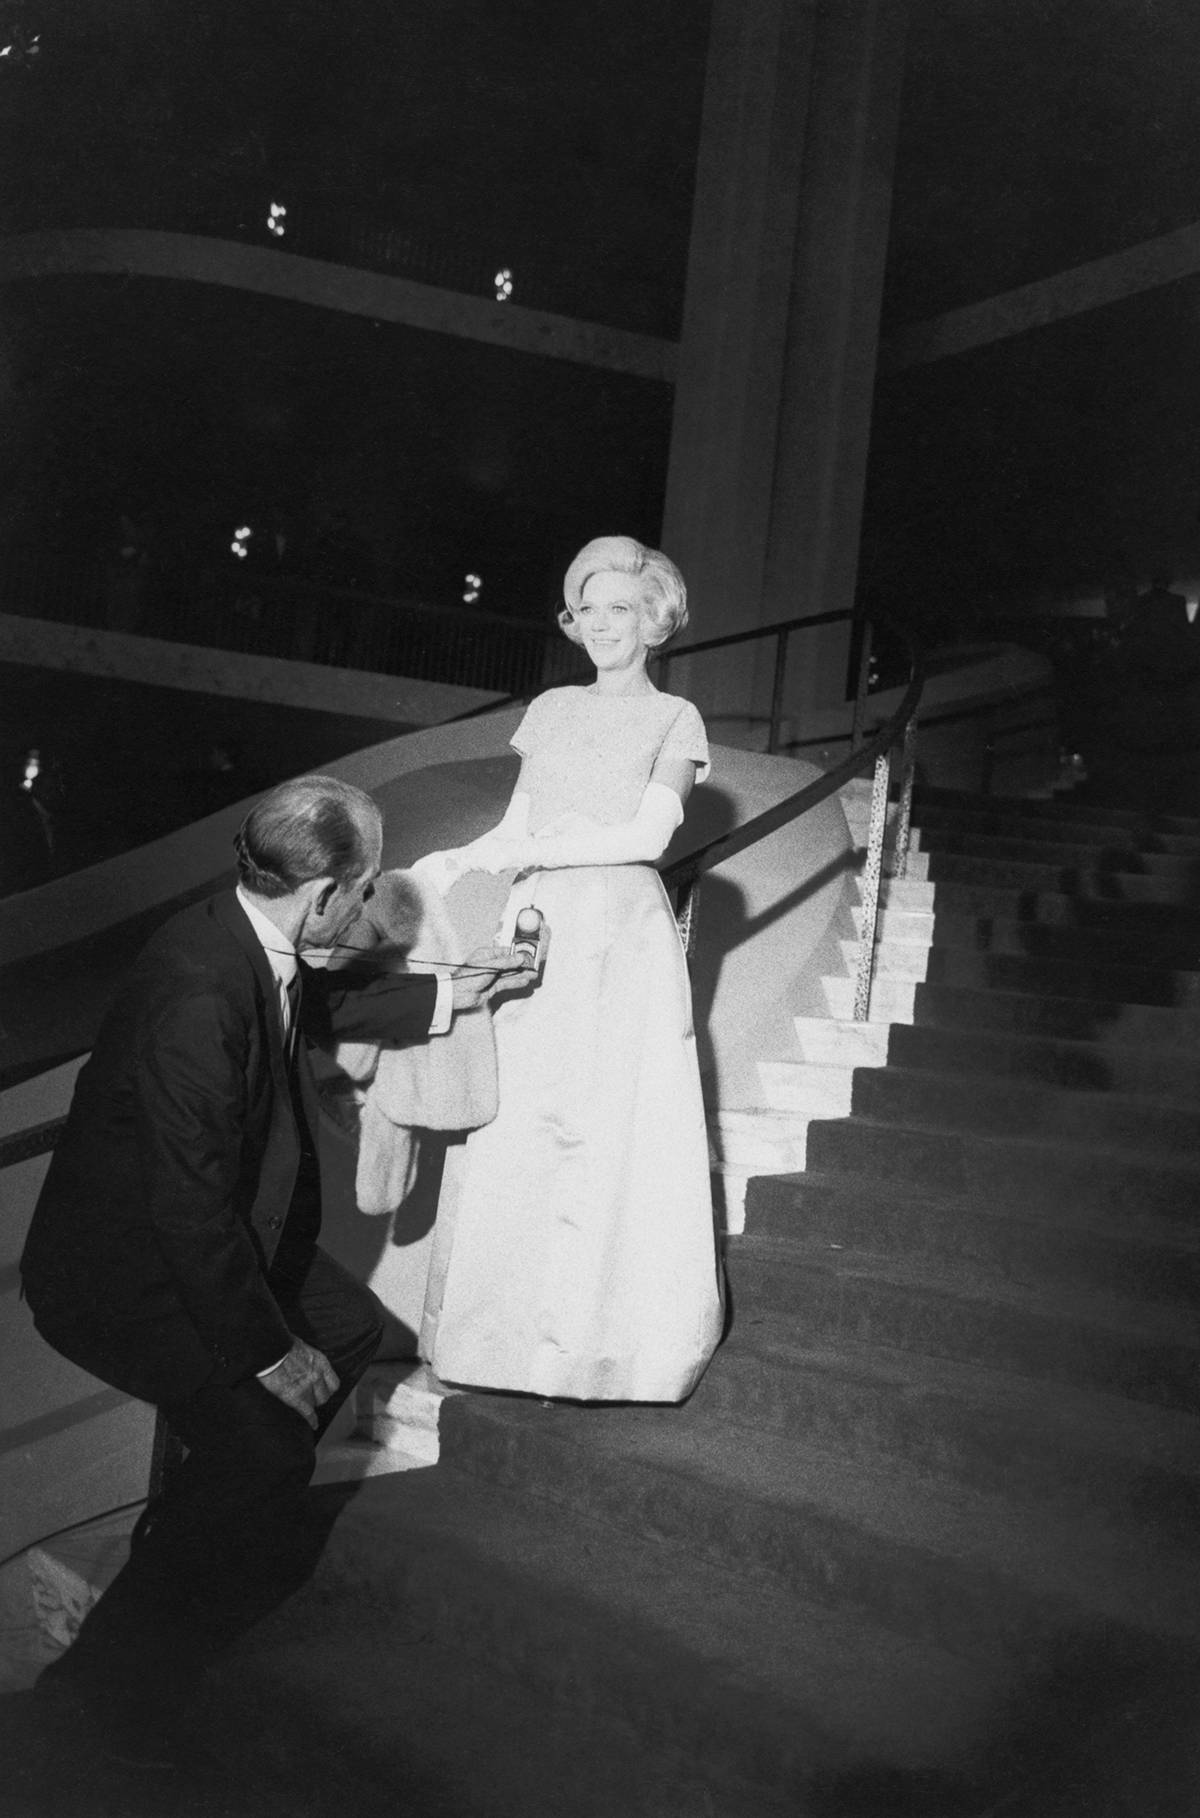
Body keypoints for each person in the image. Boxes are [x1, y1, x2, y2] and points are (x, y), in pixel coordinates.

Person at [19, 773, 533, 1762]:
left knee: (341, 1332)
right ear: (325, 893)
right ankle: (93, 1695)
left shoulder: (247, 928)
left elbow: (322, 991)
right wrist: (265, 1356)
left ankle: (199, 1523)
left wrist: (458, 988)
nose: (372, 900)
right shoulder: (201, 992)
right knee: (265, 1446)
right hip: (122, 1276)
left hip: (210, 1240)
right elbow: (188, 1208)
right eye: (366, 883)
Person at [414, 534, 725, 1403]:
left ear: (655, 620)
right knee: (513, 1122)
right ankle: (496, 1348)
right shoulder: (549, 710)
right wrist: (456, 859)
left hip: (616, 931)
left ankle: (597, 1351)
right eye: (586, 608)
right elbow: (518, 825)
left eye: (619, 607)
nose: (600, 624)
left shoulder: (677, 719)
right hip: (538, 924)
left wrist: (551, 850)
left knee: (602, 1129)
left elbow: (649, 838)